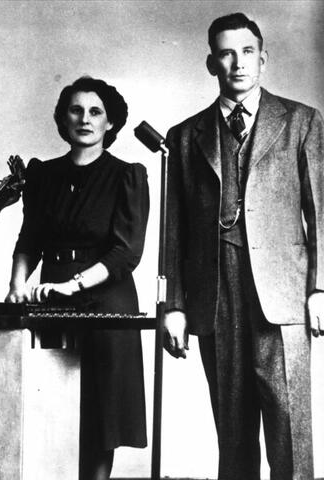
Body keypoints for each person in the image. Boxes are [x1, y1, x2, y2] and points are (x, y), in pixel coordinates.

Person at [163, 12, 324, 480]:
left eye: (248, 52)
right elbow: (174, 232)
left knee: (290, 432)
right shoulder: (186, 137)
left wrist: (320, 289)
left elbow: (322, 212)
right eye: (226, 54)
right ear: (211, 63)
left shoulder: (302, 122)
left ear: (264, 59)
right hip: (216, 296)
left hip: (284, 297)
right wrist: (173, 305)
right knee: (232, 438)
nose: (238, 63)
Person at [5, 76, 149, 480]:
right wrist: (17, 286)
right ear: (62, 118)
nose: (85, 119)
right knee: (55, 402)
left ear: (110, 123)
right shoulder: (43, 175)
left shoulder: (128, 175)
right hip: (51, 296)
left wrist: (74, 285)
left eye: (95, 111)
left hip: (107, 298)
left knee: (102, 414)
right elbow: (29, 237)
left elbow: (127, 252)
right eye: (76, 110)